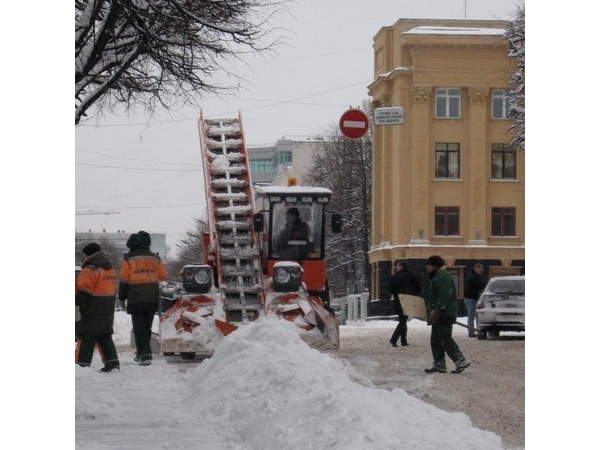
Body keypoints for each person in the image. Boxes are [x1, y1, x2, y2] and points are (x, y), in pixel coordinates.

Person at [118, 231, 167, 366]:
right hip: (152, 296)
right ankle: (141, 353)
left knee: (139, 327)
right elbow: (162, 276)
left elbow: (123, 280)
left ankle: (145, 355)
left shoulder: (128, 258)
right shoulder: (155, 258)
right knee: (146, 326)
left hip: (135, 296)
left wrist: (121, 298)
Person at [75, 243, 120, 372]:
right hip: (107, 306)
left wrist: (77, 305)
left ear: (88, 255)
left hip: (92, 306)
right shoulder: (109, 269)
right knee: (104, 335)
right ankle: (112, 363)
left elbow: (84, 290)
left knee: (87, 335)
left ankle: (82, 365)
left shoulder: (90, 269)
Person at [424, 255, 470, 374]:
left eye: (428, 265)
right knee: (436, 339)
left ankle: (460, 359)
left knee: (444, 338)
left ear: (434, 266)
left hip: (444, 314)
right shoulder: (438, 276)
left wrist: (437, 310)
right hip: (440, 314)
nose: (426, 268)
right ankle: (439, 364)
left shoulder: (442, 277)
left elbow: (445, 295)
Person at [389, 260, 422, 347]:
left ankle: (397, 340)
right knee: (404, 320)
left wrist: (397, 294)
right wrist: (412, 294)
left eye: (397, 266)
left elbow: (391, 289)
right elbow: (419, 287)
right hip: (409, 299)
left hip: (398, 299)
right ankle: (400, 340)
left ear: (401, 266)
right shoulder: (413, 276)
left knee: (402, 320)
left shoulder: (395, 277)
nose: (396, 267)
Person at [464, 263, 486, 337]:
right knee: (471, 315)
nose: (481, 271)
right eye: (480, 269)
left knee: (476, 315)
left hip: (475, 298)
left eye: (482, 269)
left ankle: (476, 330)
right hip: (471, 298)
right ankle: (471, 331)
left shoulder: (478, 277)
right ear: (476, 269)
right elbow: (473, 288)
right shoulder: (473, 277)